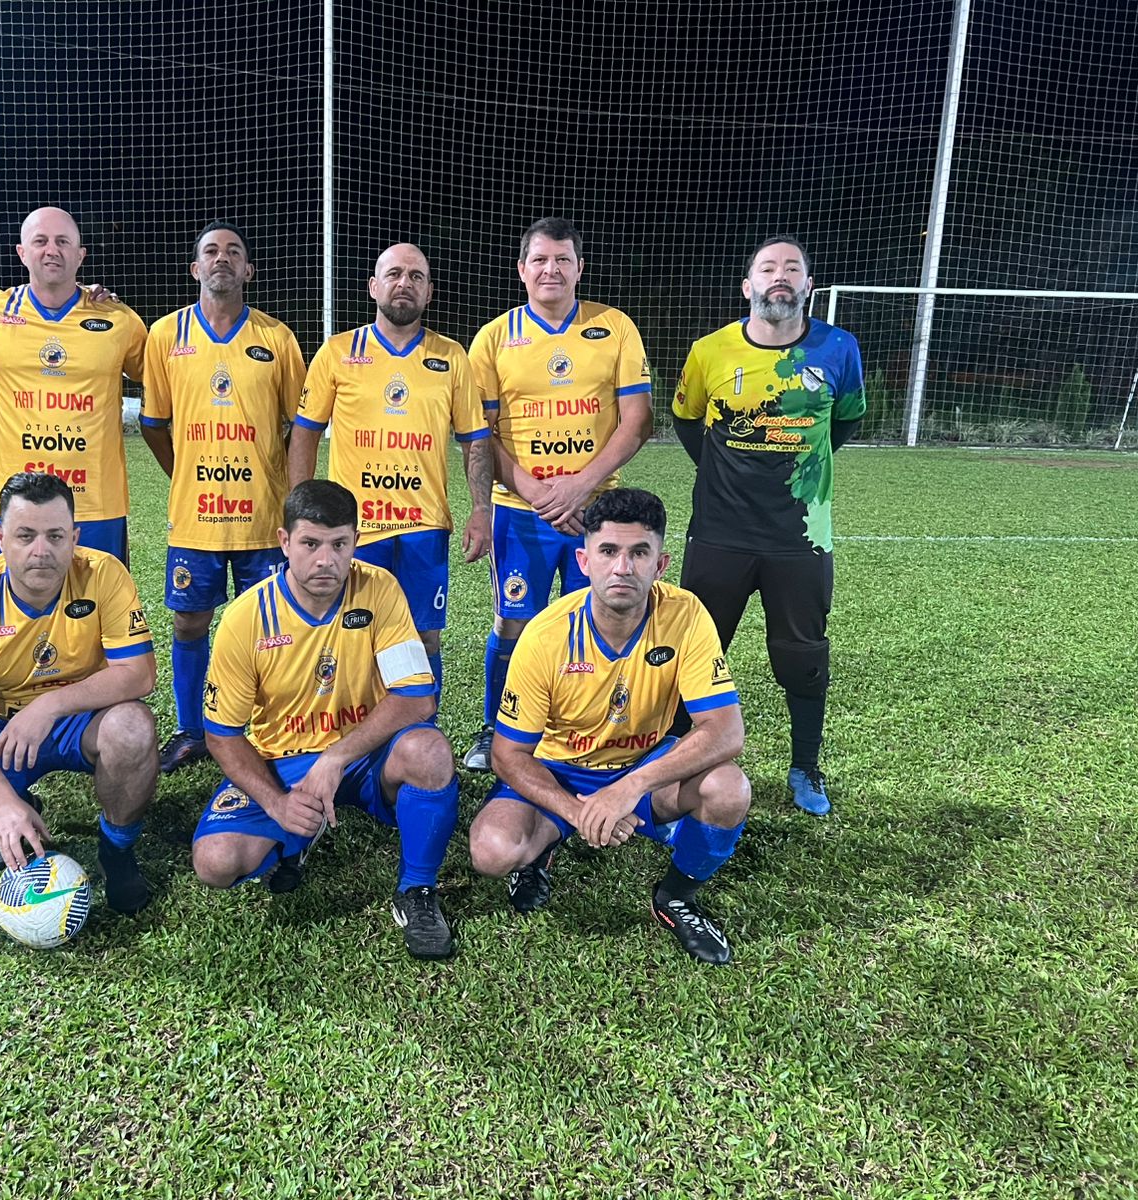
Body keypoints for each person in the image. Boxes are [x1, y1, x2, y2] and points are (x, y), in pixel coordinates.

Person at [468, 488, 750, 965]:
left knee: (728, 790)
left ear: (660, 565)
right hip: (559, 771)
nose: (623, 567)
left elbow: (726, 731)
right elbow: (507, 754)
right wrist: (578, 811)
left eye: (639, 553)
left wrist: (628, 788)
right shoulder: (545, 635)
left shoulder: (685, 615)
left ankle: (677, 896)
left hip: (643, 767)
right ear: (584, 561)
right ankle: (547, 841)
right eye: (608, 551)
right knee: (492, 851)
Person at [191, 480, 460, 959]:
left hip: (366, 754)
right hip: (284, 761)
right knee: (215, 862)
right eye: (310, 544)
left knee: (430, 751)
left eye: (339, 544)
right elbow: (222, 734)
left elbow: (418, 698)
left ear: (356, 541)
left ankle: (417, 890)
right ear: (284, 542)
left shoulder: (378, 589)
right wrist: (276, 802)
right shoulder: (245, 618)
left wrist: (335, 757)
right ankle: (296, 832)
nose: (326, 560)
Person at [670, 237, 865, 815]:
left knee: (802, 656)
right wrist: (724, 474)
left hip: (801, 536)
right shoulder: (709, 351)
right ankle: (673, 759)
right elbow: (687, 422)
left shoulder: (839, 348)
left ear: (808, 285)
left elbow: (844, 424)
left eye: (792, 269)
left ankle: (805, 766)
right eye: (768, 268)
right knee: (694, 653)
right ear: (747, 286)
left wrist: (801, 470)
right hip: (719, 534)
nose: (780, 276)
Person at [0, 472, 158, 911]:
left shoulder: (104, 574)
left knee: (133, 728)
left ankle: (116, 850)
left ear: (74, 537)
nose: (41, 551)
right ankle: (17, 803)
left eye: (55, 536)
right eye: (25, 535)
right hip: (0, 724)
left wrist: (49, 706)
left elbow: (139, 675)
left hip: (82, 717)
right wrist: (2, 802)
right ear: (1, 538)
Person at [462, 217, 654, 772]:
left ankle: (586, 734)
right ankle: (496, 729)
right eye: (540, 260)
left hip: (597, 512)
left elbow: (638, 420)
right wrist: (535, 490)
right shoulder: (494, 337)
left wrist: (580, 485)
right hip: (520, 512)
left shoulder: (614, 327)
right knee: (514, 622)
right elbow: (479, 434)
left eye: (562, 259)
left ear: (579, 268)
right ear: (522, 270)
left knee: (600, 621)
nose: (552, 269)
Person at [288, 243, 493, 700]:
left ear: (429, 292)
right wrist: (301, 510)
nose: (405, 283)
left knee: (424, 636)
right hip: (354, 528)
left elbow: (476, 440)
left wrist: (482, 510)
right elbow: (304, 432)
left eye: (416, 276)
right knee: (349, 634)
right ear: (373, 286)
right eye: (395, 274)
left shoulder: (451, 357)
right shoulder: (338, 352)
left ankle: (421, 730)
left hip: (424, 526)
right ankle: (350, 727)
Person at [139, 221, 306, 773]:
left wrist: (281, 484)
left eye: (234, 252)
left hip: (262, 517)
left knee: (267, 627)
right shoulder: (165, 335)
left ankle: (264, 731)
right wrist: (184, 474)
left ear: (248, 270)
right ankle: (193, 731)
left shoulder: (277, 338)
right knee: (189, 623)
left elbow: (299, 426)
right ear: (195, 268)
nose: (222, 258)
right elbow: (153, 424)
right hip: (196, 517)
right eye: (211, 251)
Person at [0, 207, 146, 561]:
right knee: (15, 596)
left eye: (63, 241)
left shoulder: (118, 319)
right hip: (16, 503)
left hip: (96, 504)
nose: (52, 250)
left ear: (80, 255)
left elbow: (152, 376)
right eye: (41, 241)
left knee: (100, 596)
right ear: (22, 252)